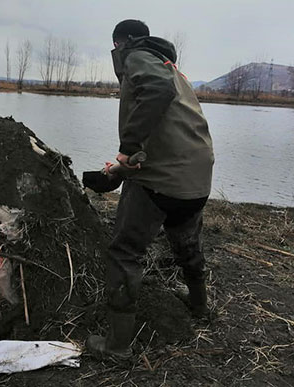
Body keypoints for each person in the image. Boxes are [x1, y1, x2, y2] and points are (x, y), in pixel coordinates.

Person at [86, 19, 215, 360]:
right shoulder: (175, 71)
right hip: (197, 182)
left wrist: (128, 145)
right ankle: (200, 306)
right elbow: (166, 136)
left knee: (124, 253)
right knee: (186, 242)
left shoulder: (137, 56)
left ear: (120, 44)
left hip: (161, 181)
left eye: (115, 49)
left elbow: (156, 91)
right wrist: (116, 172)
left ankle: (117, 347)